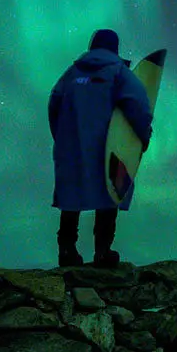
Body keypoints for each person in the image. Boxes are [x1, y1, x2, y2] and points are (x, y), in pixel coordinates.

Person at [49, 28, 153, 268]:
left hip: (72, 147)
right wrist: (142, 137)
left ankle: (67, 250)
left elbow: (53, 104)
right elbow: (137, 105)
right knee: (110, 192)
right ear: (115, 47)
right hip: (106, 145)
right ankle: (103, 252)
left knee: (71, 197)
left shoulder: (71, 73)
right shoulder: (119, 73)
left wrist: (62, 138)